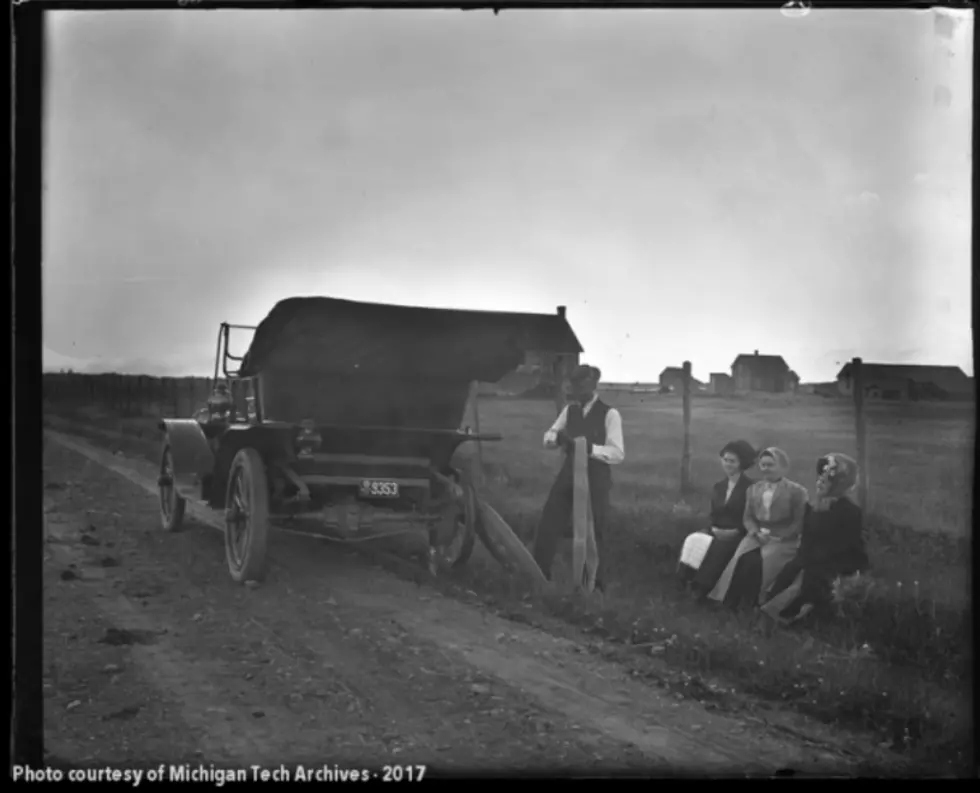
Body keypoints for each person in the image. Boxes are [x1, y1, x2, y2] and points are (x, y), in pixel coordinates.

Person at [532, 364, 625, 592]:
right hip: (569, 473)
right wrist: (556, 439)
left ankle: (595, 584)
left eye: (583, 385)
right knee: (549, 521)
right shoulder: (570, 410)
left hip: (596, 477)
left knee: (596, 528)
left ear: (594, 385)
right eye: (575, 385)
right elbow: (549, 435)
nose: (578, 390)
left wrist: (587, 448)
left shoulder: (610, 414)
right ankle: (538, 575)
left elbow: (617, 453)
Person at [760, 453, 869, 624]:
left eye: (826, 482)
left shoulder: (849, 512)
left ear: (838, 485)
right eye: (819, 479)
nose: (819, 484)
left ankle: (798, 613)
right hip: (811, 556)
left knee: (810, 579)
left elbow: (847, 546)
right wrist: (800, 560)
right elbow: (807, 540)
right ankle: (779, 606)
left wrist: (815, 560)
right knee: (789, 572)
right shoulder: (812, 507)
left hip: (837, 561)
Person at [707, 447, 808, 610]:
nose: (766, 469)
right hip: (757, 534)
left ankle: (756, 601)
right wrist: (755, 532)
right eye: (763, 465)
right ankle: (727, 599)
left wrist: (782, 536)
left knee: (763, 561)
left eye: (770, 465)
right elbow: (748, 517)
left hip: (784, 539)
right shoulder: (754, 489)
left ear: (782, 467)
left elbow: (799, 521)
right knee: (739, 558)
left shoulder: (797, 491)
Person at [678, 440, 757, 599]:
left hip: (739, 532)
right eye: (725, 460)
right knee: (694, 539)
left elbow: (752, 515)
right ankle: (685, 580)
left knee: (720, 546)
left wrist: (735, 531)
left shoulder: (751, 487)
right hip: (717, 529)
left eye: (732, 461)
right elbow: (714, 514)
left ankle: (702, 587)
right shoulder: (719, 486)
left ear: (742, 463)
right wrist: (713, 529)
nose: (727, 464)